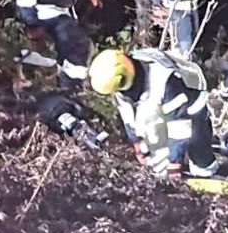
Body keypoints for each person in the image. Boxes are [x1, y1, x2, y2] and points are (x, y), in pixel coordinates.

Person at [87, 48, 218, 179]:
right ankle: (167, 164)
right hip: (162, 108)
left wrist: (174, 163)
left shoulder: (164, 79)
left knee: (197, 149)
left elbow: (180, 123)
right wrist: (136, 142)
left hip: (189, 107)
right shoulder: (119, 87)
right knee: (159, 163)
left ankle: (205, 170)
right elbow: (127, 115)